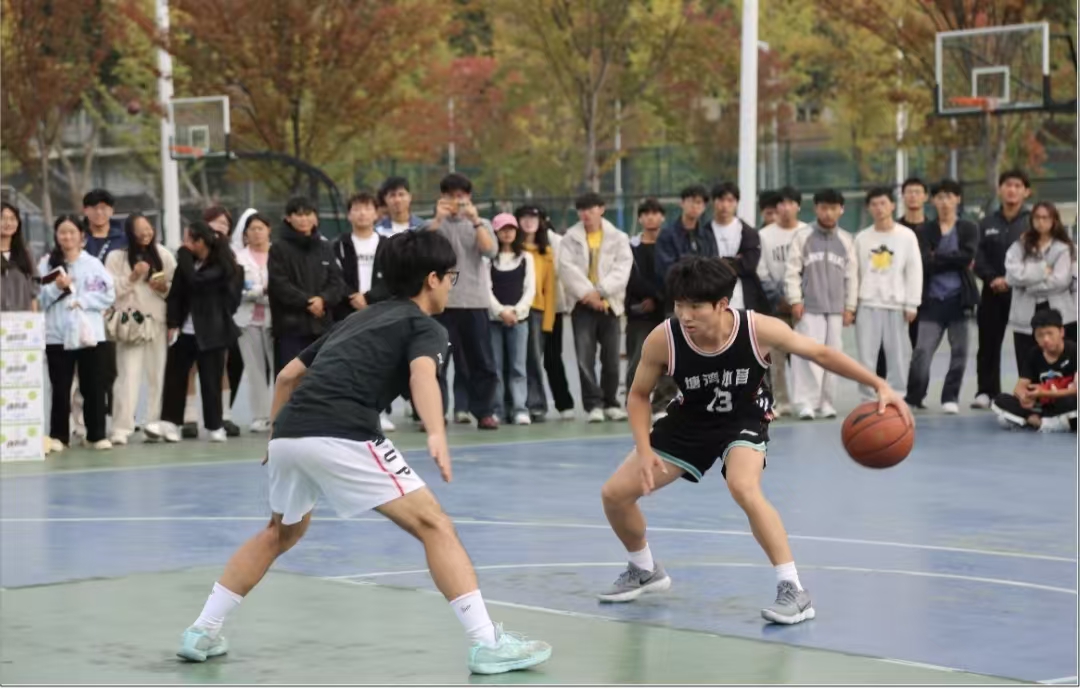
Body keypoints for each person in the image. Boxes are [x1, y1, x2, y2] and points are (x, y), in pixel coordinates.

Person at [175, 231, 552, 675]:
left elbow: (287, 376)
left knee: (279, 533)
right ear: (431, 279)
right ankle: (487, 643)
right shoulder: (425, 327)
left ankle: (202, 630)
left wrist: (276, 435)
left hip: (290, 433)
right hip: (343, 432)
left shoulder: (358, 319)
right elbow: (422, 377)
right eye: (451, 276)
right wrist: (436, 431)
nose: (452, 285)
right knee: (435, 525)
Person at [596, 256, 912, 623]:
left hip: (743, 418)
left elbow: (820, 352)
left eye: (695, 306)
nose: (685, 315)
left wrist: (879, 384)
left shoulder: (757, 329)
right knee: (614, 495)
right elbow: (638, 396)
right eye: (679, 305)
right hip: (690, 421)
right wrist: (644, 448)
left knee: (743, 486)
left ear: (722, 304)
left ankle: (793, 589)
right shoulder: (663, 339)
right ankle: (643, 568)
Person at [991, 308, 1076, 433]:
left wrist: (1045, 393)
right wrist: (1024, 397)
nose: (1046, 339)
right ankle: (1038, 421)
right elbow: (1019, 388)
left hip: (1065, 402)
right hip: (1041, 406)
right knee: (1000, 400)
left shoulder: (1074, 351)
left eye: (1050, 333)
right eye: (1040, 335)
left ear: (1061, 332)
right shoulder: (1033, 354)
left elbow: (1076, 390)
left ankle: (1030, 421)